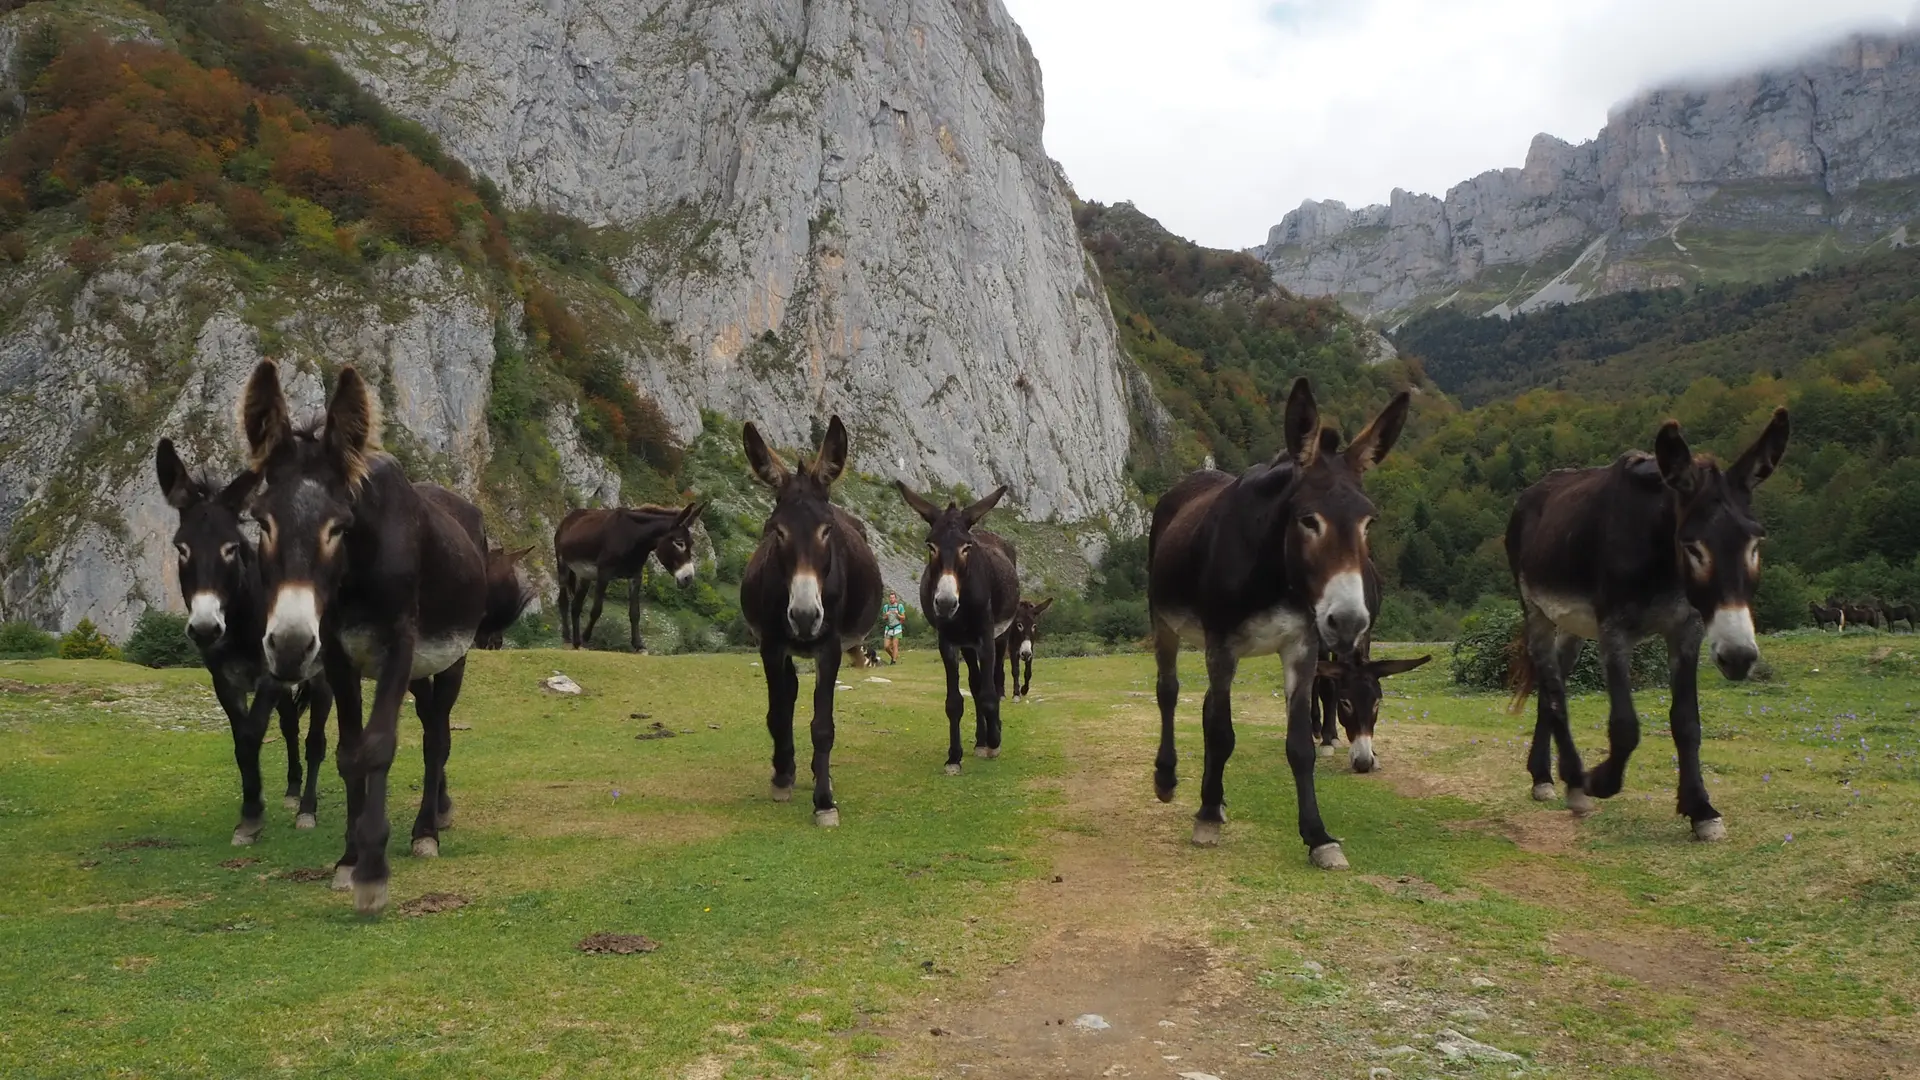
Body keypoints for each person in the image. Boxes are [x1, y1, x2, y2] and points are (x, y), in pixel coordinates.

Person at [882, 591, 907, 663]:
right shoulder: (886, 607)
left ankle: (894, 661)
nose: (891, 599)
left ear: (895, 599)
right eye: (890, 598)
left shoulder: (899, 606)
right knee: (886, 646)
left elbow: (903, 617)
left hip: (897, 627)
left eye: (893, 598)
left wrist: (898, 614)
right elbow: (883, 618)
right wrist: (886, 615)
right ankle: (894, 656)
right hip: (888, 627)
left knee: (894, 645)